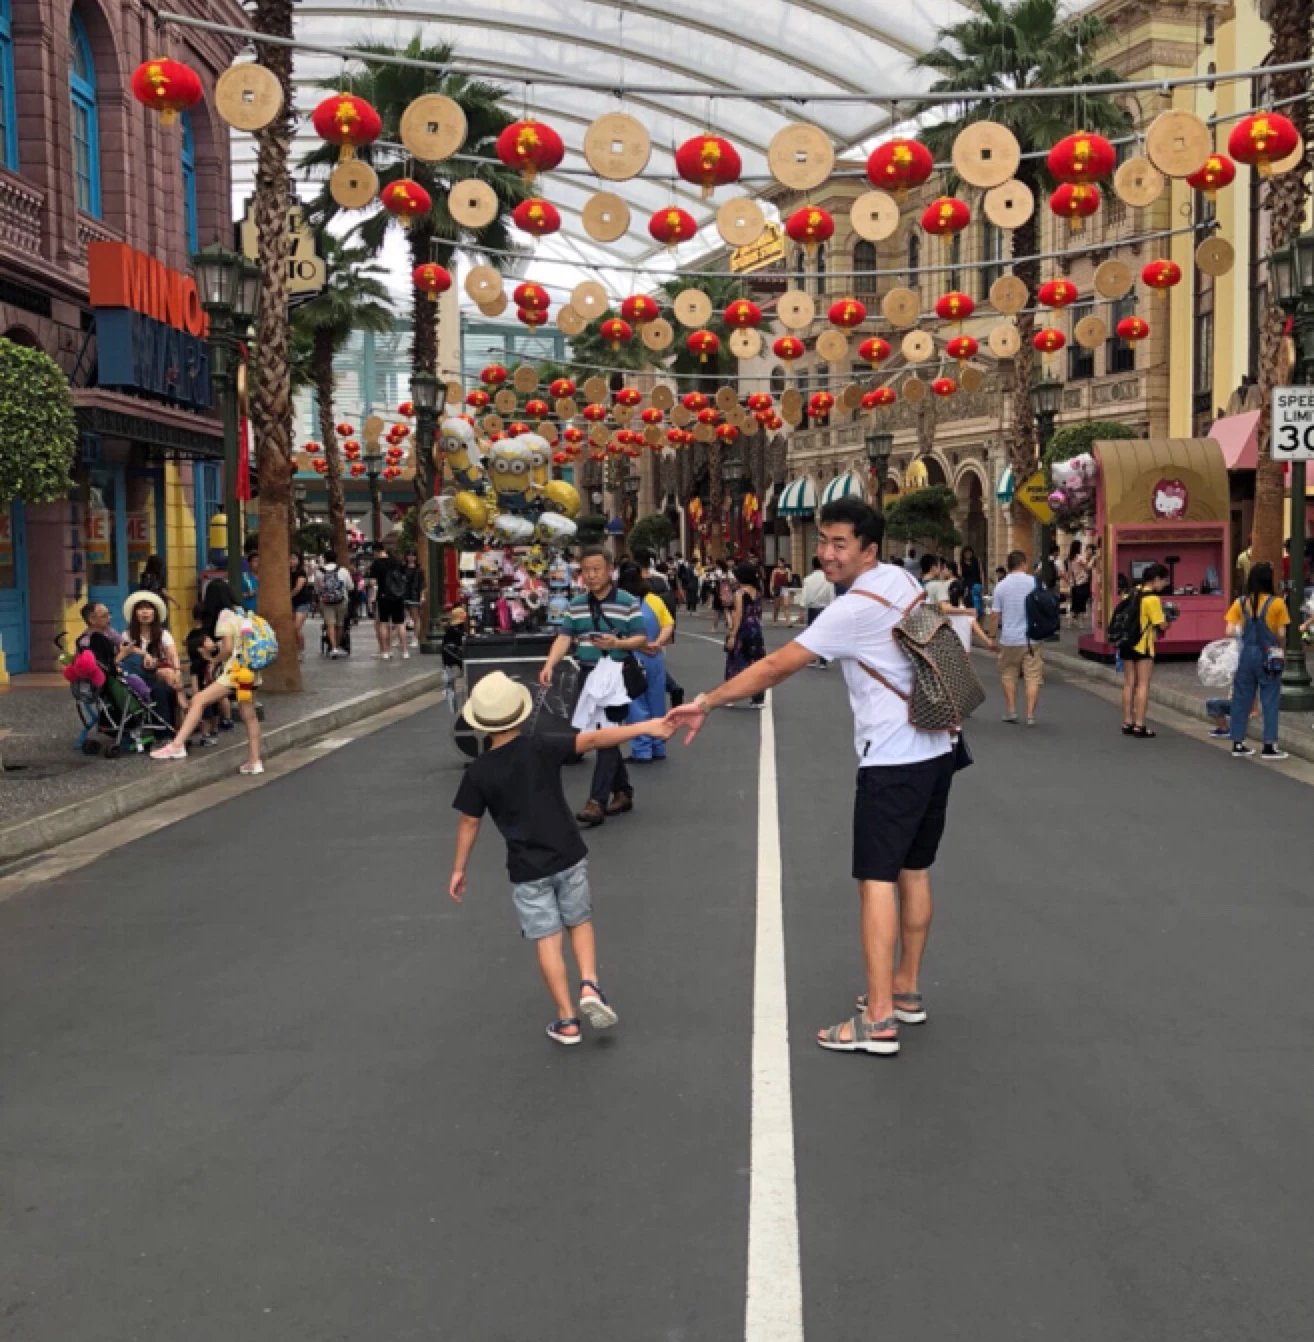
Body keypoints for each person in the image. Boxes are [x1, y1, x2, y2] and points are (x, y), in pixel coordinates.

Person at [668, 498, 956, 1058]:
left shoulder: (851, 611)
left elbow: (776, 666)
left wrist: (706, 700)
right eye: (824, 540)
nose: (826, 553)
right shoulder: (901, 580)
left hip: (891, 759)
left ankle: (877, 1019)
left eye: (839, 543)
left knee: (876, 880)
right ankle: (904, 990)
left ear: (868, 550)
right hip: (938, 745)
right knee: (914, 871)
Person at [449, 671, 676, 1046]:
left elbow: (469, 822)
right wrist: (647, 726)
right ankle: (589, 983)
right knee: (579, 921)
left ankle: (567, 1019)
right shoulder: (540, 746)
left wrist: (459, 869)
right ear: (520, 714)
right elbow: (595, 738)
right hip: (568, 853)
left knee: (547, 939)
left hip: (527, 869)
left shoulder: (478, 772)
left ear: (480, 724)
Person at [538, 546, 647, 827]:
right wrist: (549, 664)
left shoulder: (627, 601)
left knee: (605, 735)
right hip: (588, 674)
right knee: (597, 733)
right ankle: (623, 791)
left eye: (597, 569)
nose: (591, 575)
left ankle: (596, 801)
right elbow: (564, 637)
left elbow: (641, 638)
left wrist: (617, 643)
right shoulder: (576, 604)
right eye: (586, 570)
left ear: (610, 570)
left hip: (616, 676)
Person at [150, 580, 263, 774]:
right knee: (250, 716)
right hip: (250, 671)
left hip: (235, 672)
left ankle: (177, 745)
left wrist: (214, 661)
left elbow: (228, 648)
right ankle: (255, 761)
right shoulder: (243, 612)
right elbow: (242, 642)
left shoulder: (225, 616)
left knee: (198, 700)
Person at [1226, 562, 1290, 760]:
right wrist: (1281, 649)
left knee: (1241, 699)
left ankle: (1238, 742)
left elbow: (1229, 630)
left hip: (1246, 655)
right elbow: (1281, 633)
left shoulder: (1240, 602)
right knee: (1270, 700)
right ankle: (1269, 745)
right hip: (1269, 655)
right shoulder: (1277, 603)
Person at [617, 562, 673, 761]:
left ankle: (642, 749)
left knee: (636, 703)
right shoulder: (654, 600)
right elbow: (668, 625)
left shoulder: (620, 602)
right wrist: (657, 643)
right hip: (655, 657)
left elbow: (617, 631)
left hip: (631, 658)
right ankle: (659, 745)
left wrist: (640, 645)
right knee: (656, 700)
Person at [990, 550, 1044, 726]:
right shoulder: (1034, 582)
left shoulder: (1001, 586)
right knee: (1033, 676)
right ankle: (1030, 714)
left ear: (1009, 566)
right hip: (1032, 638)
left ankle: (1012, 710)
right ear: (1023, 564)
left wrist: (992, 637)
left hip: (1009, 638)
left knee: (1008, 673)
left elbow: (995, 615)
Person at [1117, 562, 1170, 739]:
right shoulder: (1152, 599)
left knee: (1128, 683)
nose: (1164, 585)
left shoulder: (1131, 593)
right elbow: (1160, 624)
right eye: (1164, 581)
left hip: (1126, 643)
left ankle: (1127, 722)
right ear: (1156, 579)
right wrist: (1169, 620)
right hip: (1143, 645)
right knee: (1143, 684)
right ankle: (1139, 725)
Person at [119, 590, 183, 726]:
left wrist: (177, 671)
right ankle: (182, 702)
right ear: (135, 613)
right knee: (167, 676)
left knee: (168, 676)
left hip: (161, 673)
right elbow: (124, 653)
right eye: (140, 609)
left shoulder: (163, 634)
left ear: (155, 612)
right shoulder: (127, 635)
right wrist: (144, 655)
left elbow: (173, 654)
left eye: (148, 608)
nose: (145, 612)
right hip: (138, 675)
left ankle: (177, 713)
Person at [724, 561, 767, 706]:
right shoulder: (757, 592)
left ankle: (731, 695)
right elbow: (759, 612)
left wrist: (732, 635)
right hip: (756, 628)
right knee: (756, 662)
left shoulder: (739, 593)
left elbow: (738, 615)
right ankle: (758, 697)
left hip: (743, 629)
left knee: (736, 661)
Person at [183, 603, 220, 748]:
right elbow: (194, 681)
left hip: (214, 691)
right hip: (204, 693)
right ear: (200, 648)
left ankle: (213, 731)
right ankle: (205, 735)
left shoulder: (212, 661)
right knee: (206, 715)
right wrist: (196, 694)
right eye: (208, 641)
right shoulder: (197, 664)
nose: (211, 642)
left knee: (214, 712)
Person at [370, 542, 409, 660]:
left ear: (376, 551)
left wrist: (373, 592)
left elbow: (373, 582)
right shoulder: (397, 562)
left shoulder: (377, 564)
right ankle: (405, 651)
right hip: (398, 596)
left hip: (383, 596)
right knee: (400, 624)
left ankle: (386, 652)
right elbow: (404, 578)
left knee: (383, 623)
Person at [315, 548, 352, 658]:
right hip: (342, 600)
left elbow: (317, 589)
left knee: (330, 624)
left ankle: (333, 647)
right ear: (336, 558)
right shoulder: (343, 570)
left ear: (325, 559)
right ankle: (338, 645)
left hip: (326, 601)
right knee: (340, 624)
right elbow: (350, 587)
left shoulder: (319, 572)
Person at [799, 557, 835, 668]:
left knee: (811, 635)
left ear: (812, 565)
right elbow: (832, 596)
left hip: (812, 608)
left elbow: (804, 597)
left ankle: (812, 659)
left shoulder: (808, 579)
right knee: (824, 635)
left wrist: (802, 610)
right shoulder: (828, 579)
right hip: (824, 609)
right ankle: (823, 661)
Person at [944, 580, 996, 654]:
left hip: (948, 649)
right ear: (965, 593)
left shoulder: (945, 611)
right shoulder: (968, 612)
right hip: (964, 649)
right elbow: (977, 629)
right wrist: (988, 641)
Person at [290, 553, 313, 656]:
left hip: (302, 602)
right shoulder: (287, 572)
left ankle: (300, 650)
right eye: (289, 559)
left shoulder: (301, 572)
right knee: (293, 629)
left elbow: (298, 588)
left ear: (299, 560)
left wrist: (288, 596)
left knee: (296, 627)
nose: (291, 561)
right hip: (292, 603)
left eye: (294, 558)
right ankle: (296, 648)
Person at [402, 551, 426, 647]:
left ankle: (415, 638)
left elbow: (422, 584)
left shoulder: (419, 570)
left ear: (416, 557)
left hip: (414, 595)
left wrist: (422, 596)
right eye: (409, 555)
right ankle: (401, 638)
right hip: (403, 594)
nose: (411, 557)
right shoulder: (402, 568)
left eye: (413, 555)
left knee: (415, 617)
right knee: (403, 617)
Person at [1068, 541, 1092, 629]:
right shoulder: (1080, 558)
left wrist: (1071, 583)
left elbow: (1070, 572)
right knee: (1082, 603)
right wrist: (1093, 559)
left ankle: (1070, 622)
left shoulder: (1070, 559)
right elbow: (1088, 567)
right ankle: (1081, 623)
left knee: (1075, 603)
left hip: (1075, 583)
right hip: (1083, 582)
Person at [769, 558, 791, 623]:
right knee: (777, 606)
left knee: (786, 605)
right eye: (778, 563)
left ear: (783, 563)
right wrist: (771, 589)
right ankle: (774, 620)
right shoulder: (775, 571)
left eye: (780, 563)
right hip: (777, 588)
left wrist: (789, 572)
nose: (779, 564)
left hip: (785, 588)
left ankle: (788, 621)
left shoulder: (787, 570)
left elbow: (789, 580)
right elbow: (772, 580)